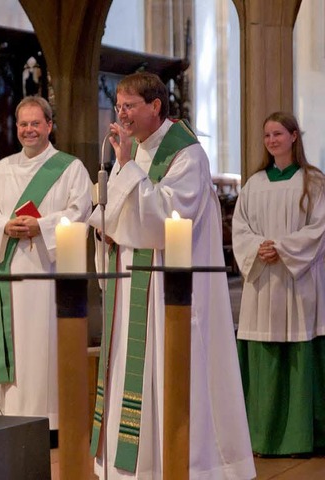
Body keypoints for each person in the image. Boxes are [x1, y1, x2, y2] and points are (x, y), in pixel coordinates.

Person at [88, 72, 255, 479]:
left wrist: (126, 167)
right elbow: (121, 213)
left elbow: (165, 219)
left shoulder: (187, 154)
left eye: (130, 106)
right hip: (134, 286)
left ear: (155, 106)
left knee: (175, 370)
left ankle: (190, 463)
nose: (121, 115)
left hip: (172, 291)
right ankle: (139, 465)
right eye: (118, 106)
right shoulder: (138, 149)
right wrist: (103, 226)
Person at [0, 96, 92, 444]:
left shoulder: (70, 168)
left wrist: (42, 226)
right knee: (15, 344)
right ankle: (8, 416)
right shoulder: (0, 169)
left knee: (44, 346)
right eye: (23, 124)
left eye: (35, 123)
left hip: (47, 274)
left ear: (49, 125)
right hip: (10, 273)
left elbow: (80, 212)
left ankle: (51, 421)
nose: (29, 130)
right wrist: (5, 226)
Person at [232, 111, 325, 456]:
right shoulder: (254, 184)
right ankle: (263, 437)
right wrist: (260, 248)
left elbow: (319, 228)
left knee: (301, 349)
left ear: (294, 137)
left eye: (278, 134)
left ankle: (306, 437)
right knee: (264, 349)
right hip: (263, 279)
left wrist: (283, 248)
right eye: (267, 135)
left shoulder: (313, 182)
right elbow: (239, 228)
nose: (272, 141)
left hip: (297, 281)